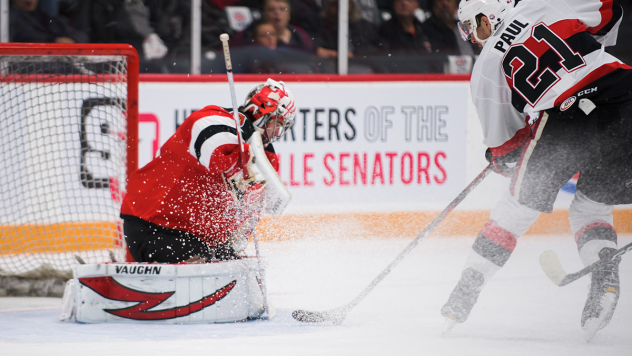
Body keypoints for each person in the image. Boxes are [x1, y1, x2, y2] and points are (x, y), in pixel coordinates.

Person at [441, 0, 632, 339]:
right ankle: (604, 273)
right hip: (625, 95)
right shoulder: (541, 2)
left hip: (566, 116)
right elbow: (610, 13)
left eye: (471, 25)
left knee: (516, 207)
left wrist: (501, 156)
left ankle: (467, 288)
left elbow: (505, 145)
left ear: (487, 18)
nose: (471, 36)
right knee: (592, 206)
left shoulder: (486, 66)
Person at [121, 79, 296, 263]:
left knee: (231, 261)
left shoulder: (266, 158)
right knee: (207, 262)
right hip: (153, 226)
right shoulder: (219, 120)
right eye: (278, 123)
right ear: (263, 114)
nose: (278, 132)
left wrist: (234, 247)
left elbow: (250, 214)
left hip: (196, 237)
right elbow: (208, 143)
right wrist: (243, 151)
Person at [9, 0, 88, 43]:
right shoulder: (9, 21)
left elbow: (81, 35)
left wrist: (72, 40)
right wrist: (53, 42)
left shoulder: (45, 18)